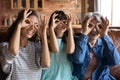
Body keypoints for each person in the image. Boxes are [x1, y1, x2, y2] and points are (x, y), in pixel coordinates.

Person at [0, 9, 50, 80]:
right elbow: (13, 51)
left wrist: (43, 35)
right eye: (27, 22)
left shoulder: (36, 47)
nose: (32, 28)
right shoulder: (5, 46)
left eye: (36, 25)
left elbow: (46, 64)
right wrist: (19, 25)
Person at [68, 12, 120, 80]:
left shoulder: (106, 43)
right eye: (90, 25)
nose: (94, 30)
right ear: (84, 26)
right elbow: (78, 59)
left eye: (99, 26)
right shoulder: (76, 41)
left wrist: (104, 35)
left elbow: (115, 61)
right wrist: (84, 33)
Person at [41, 10, 77, 80]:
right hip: (49, 76)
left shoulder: (69, 40)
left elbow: (70, 50)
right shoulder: (47, 40)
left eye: (64, 22)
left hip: (65, 75)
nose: (60, 24)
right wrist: (51, 28)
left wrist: (69, 28)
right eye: (57, 21)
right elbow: (55, 49)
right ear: (52, 23)